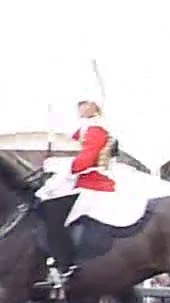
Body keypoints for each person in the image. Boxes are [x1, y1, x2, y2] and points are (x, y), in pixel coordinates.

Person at [35, 95, 117, 286]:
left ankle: (65, 265)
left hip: (92, 181)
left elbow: (85, 160)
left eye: (83, 103)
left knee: (53, 210)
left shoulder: (97, 128)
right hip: (79, 179)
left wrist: (62, 170)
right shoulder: (83, 128)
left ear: (93, 106)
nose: (79, 107)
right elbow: (67, 150)